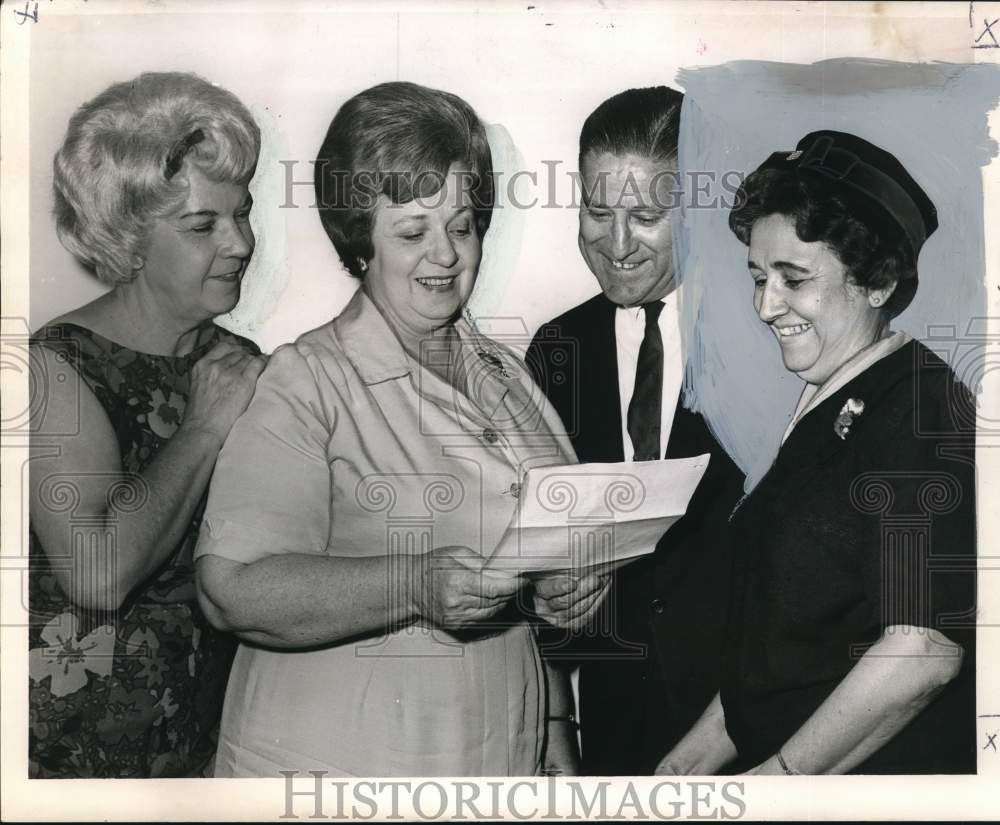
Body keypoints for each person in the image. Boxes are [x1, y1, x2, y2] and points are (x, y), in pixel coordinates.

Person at [194, 81, 607, 778]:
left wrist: (569, 592)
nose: (445, 255)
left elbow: (542, 555)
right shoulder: (307, 381)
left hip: (494, 760)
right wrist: (412, 584)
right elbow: (230, 587)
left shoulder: (505, 374)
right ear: (360, 242)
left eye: (463, 224)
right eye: (413, 231)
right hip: (340, 771)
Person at [658, 130, 976, 775]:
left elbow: (923, 649)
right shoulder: (836, 404)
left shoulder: (918, 409)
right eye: (758, 277)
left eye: (793, 279)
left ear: (878, 281)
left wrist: (780, 781)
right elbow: (788, 648)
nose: (765, 305)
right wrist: (684, 768)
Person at [28, 72, 265, 778]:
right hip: (79, 755)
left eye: (242, 213)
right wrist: (204, 427)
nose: (241, 242)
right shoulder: (54, 365)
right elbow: (96, 573)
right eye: (203, 225)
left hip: (207, 750)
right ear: (128, 238)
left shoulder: (236, 360)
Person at [525, 86, 745, 775]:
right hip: (613, 740)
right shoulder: (557, 348)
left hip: (752, 735)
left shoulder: (770, 338)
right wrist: (542, 597)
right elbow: (538, 546)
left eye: (647, 216)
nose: (616, 244)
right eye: (597, 210)